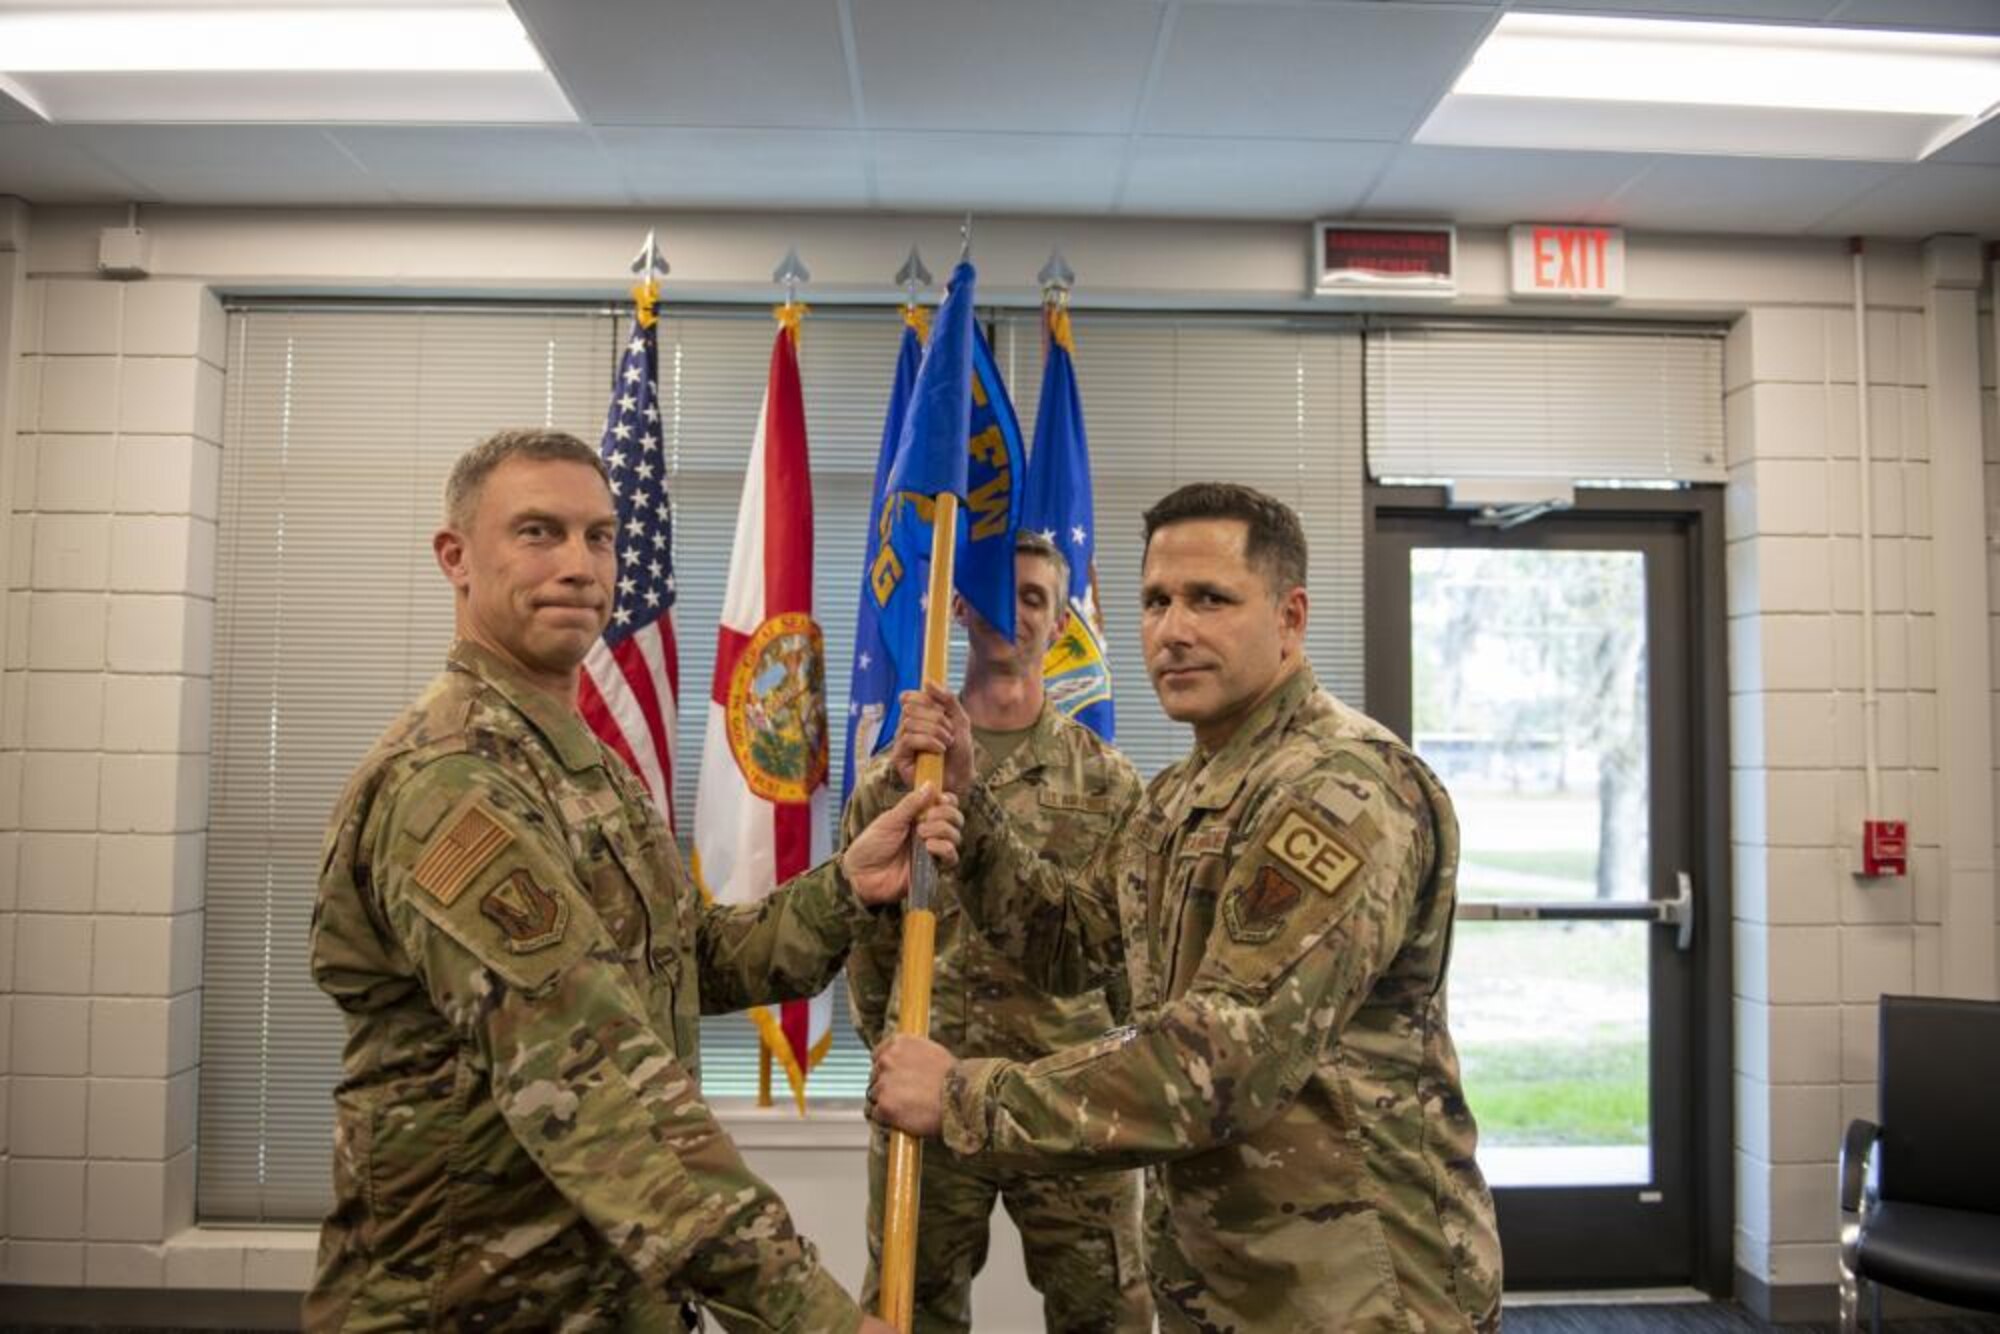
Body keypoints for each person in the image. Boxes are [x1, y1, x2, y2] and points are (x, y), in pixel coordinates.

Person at [305, 428, 957, 1333]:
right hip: (475, 1302)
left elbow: (689, 959)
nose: (579, 565)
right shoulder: (453, 783)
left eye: (600, 536)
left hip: (611, 1290)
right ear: (455, 557)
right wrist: (813, 1316)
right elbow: (594, 1077)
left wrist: (847, 885)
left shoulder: (585, 768)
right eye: (538, 533)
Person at [868, 482, 1502, 1332]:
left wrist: (965, 1098)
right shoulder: (1180, 797)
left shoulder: (1340, 788)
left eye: (1211, 599)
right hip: (1226, 1280)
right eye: (1156, 602)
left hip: (1352, 1293)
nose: (1174, 630)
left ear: (1291, 616)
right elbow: (1072, 944)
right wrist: (973, 819)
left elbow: (1225, 1056)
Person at [842, 531, 1151, 1333]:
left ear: (1059, 623)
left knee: (1105, 1315)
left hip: (1067, 1101)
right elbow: (864, 941)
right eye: (992, 593)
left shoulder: (1110, 782)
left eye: (1034, 598)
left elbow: (1120, 954)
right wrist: (893, 1038)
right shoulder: (898, 778)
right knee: (912, 1315)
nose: (1012, 614)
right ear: (956, 606)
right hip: (930, 1093)